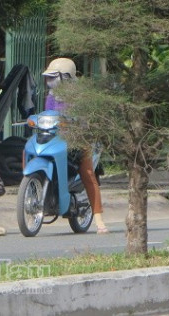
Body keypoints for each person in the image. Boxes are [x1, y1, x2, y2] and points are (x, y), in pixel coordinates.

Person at [42, 58, 109, 234]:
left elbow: (86, 120)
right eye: (48, 78)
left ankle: (99, 220)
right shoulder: (51, 96)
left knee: (87, 174)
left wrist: (78, 125)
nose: (50, 81)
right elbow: (48, 114)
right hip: (55, 140)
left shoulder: (80, 96)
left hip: (78, 141)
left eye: (53, 77)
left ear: (65, 77)